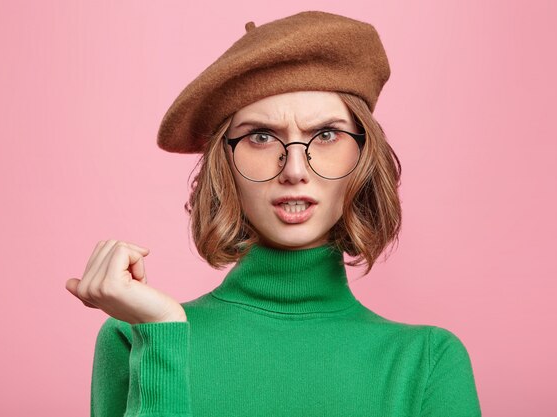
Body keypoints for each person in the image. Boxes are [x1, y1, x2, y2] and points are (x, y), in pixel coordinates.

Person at [65, 11, 482, 417]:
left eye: (326, 135)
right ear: (223, 164)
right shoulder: (137, 334)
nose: (295, 170)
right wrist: (162, 333)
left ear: (364, 156)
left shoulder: (427, 361)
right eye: (261, 137)